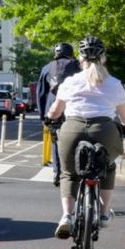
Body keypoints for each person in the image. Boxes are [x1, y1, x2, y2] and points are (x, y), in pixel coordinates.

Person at [46, 36, 125, 239]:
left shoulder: (70, 82)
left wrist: (50, 120)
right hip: (104, 130)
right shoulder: (114, 84)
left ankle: (67, 216)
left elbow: (55, 112)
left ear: (80, 59)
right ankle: (104, 214)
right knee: (109, 166)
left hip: (73, 128)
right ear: (103, 59)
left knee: (69, 173)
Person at [37, 43, 81, 186]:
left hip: (53, 110)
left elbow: (41, 94)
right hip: (74, 109)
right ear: (71, 53)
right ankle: (76, 170)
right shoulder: (78, 66)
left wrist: (43, 115)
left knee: (56, 140)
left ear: (55, 54)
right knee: (78, 138)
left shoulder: (46, 68)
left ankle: (57, 171)